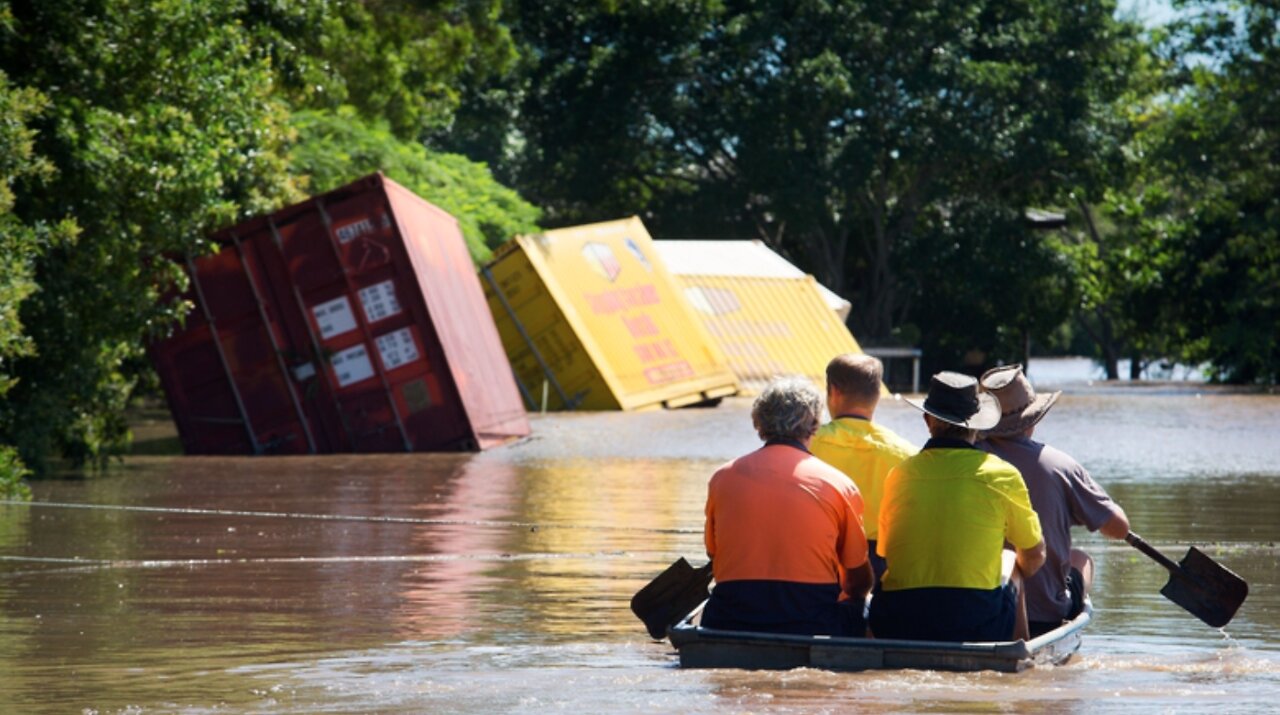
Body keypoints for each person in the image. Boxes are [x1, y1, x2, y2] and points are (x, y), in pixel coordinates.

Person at [869, 371, 1046, 642]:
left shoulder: (899, 474)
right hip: (975, 621)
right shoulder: (1003, 475)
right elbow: (1034, 555)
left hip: (901, 620)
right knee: (1011, 560)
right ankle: (1018, 659)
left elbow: (884, 551)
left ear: (928, 421)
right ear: (976, 426)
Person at [702, 376, 874, 636]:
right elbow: (857, 582)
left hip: (730, 618)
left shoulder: (722, 477)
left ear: (759, 423)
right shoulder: (839, 484)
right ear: (815, 424)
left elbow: (714, 554)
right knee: (868, 606)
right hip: (811, 621)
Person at [978, 364, 1130, 636]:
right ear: (1033, 420)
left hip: (977, 609)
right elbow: (1119, 528)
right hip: (1042, 617)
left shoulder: (967, 460)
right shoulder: (1059, 465)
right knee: (1080, 558)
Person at [810, 353, 916, 581]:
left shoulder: (808, 442)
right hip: (882, 565)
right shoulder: (906, 453)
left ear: (834, 391)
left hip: (822, 557)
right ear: (877, 395)